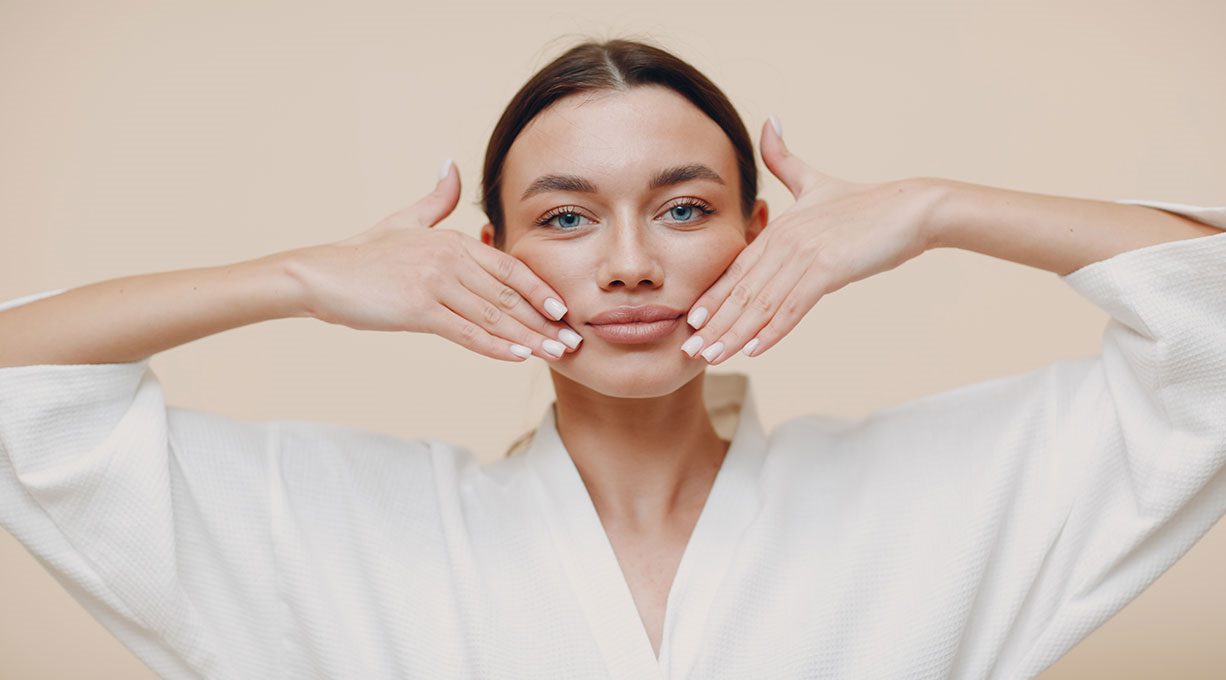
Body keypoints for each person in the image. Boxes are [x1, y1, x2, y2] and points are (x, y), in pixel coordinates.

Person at [1, 37, 1223, 680]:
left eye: (684, 208)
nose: (629, 264)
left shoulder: (938, 495)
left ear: (761, 232)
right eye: (566, 216)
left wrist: (940, 204)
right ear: (493, 253)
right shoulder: (346, 527)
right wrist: (292, 278)